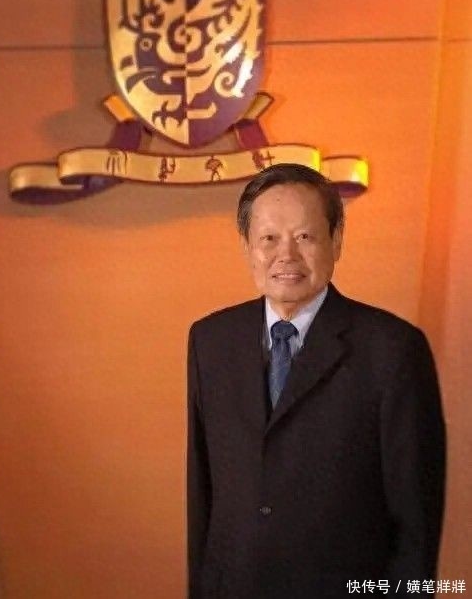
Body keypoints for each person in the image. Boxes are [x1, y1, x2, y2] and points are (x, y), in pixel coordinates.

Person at [187, 163, 446, 599]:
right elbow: (203, 495)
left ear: (336, 241)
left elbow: (415, 520)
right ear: (247, 246)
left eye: (305, 236)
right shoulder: (210, 340)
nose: (286, 255)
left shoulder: (393, 349)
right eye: (269, 238)